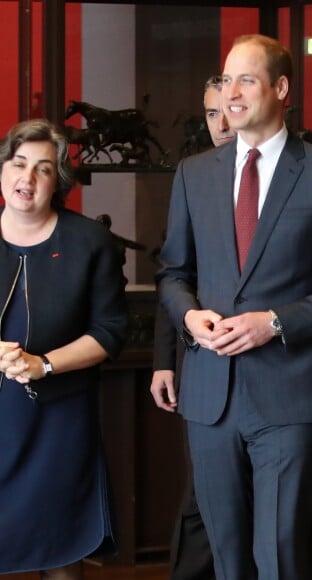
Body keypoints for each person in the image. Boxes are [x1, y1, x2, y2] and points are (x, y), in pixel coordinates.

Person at [155, 34, 312, 579]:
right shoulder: (194, 173)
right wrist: (188, 315)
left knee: (279, 556)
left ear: (281, 88)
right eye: (226, 79)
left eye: (245, 79)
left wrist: (274, 323)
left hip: (287, 393)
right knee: (226, 557)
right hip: (209, 394)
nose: (232, 92)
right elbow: (172, 273)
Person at [0, 119, 128, 579]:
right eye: (18, 165)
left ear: (59, 183)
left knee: (61, 550)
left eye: (43, 169)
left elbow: (111, 330)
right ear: (1, 171)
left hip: (59, 422)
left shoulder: (90, 242)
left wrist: (44, 364)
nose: (27, 179)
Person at [150, 74, 235, 580]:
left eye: (229, 109)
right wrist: (165, 361)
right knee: (201, 496)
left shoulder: (298, 167)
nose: (221, 124)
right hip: (199, 357)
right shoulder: (192, 175)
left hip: (273, 356)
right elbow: (174, 273)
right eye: (210, 113)